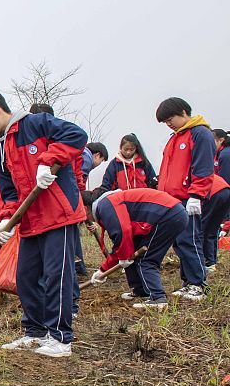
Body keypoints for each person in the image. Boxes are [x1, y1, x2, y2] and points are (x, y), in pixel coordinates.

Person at [0, 90, 88, 357]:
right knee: (26, 276)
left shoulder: (35, 124)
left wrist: (48, 161)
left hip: (58, 214)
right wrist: (6, 219)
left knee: (56, 275)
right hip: (30, 219)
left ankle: (60, 338)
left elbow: (77, 135)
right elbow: (10, 193)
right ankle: (35, 331)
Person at [84, 188, 189, 309]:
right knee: (132, 252)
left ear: (86, 208)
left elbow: (122, 231)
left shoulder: (106, 205)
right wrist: (103, 270)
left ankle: (158, 298)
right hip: (171, 213)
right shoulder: (108, 202)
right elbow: (121, 245)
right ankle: (140, 290)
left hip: (167, 215)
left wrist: (118, 260)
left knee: (146, 259)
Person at [156, 97, 213, 300]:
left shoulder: (200, 134)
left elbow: (203, 166)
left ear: (183, 112)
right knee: (180, 242)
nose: (168, 124)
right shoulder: (175, 137)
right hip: (171, 200)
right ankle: (188, 282)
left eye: (170, 119)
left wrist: (196, 195)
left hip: (187, 198)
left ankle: (198, 284)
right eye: (165, 122)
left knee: (190, 239)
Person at [201, 173, 230, 270]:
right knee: (212, 230)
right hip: (225, 190)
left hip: (213, 192)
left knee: (202, 229)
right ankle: (211, 261)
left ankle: (206, 261)